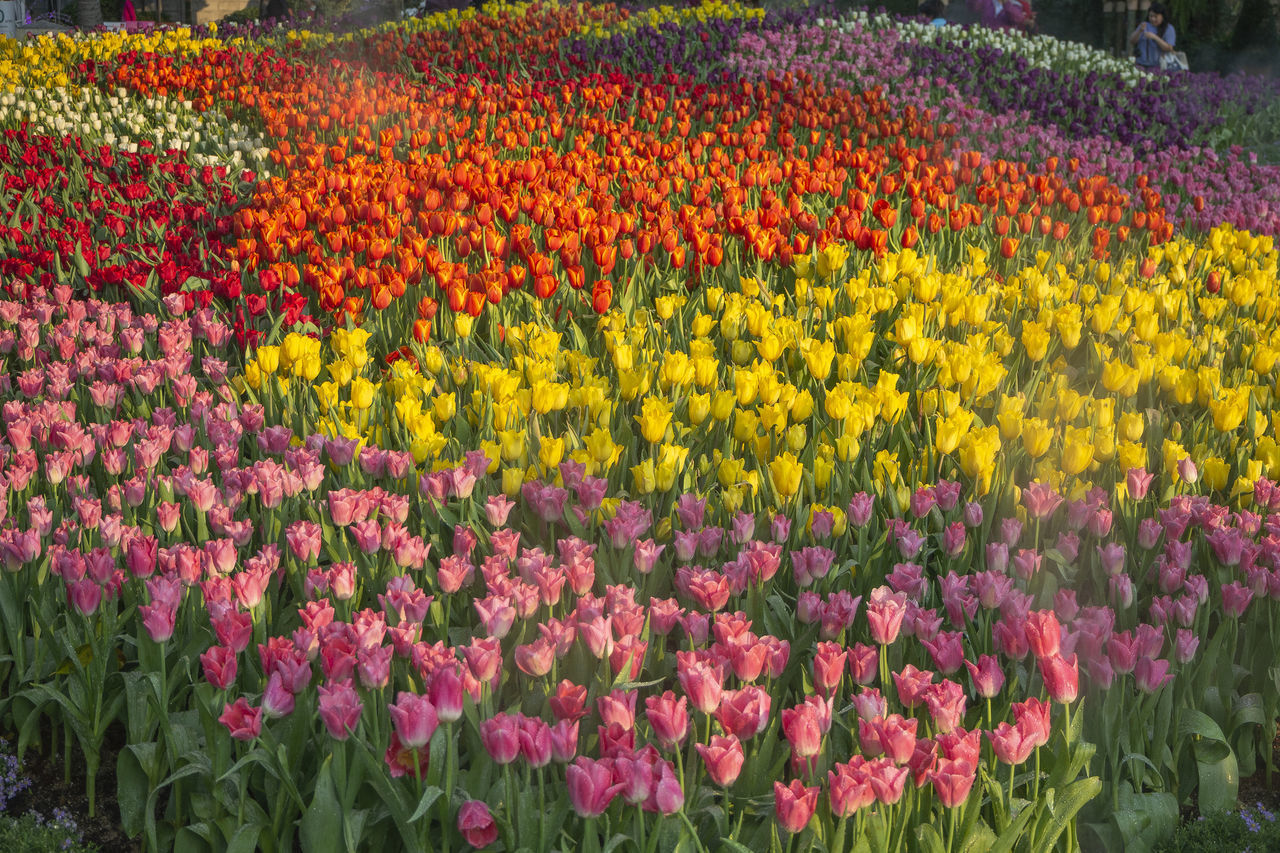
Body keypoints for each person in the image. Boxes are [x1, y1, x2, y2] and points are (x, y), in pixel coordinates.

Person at [1131, 2, 1176, 68]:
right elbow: (1132, 41)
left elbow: (1169, 48)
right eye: (1151, 16)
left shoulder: (1169, 28)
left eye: (1155, 16)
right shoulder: (1144, 25)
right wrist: (1139, 31)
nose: (1152, 19)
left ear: (1162, 16)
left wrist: (1155, 37)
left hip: (1159, 65)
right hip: (1140, 63)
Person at [968, 0, 1035, 31]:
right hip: (986, 40)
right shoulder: (987, 2)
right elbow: (973, 6)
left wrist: (1006, 3)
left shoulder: (1016, 4)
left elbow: (1017, 18)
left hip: (1005, 43)